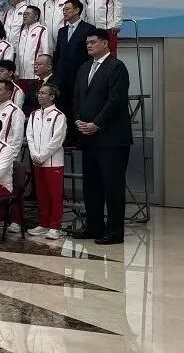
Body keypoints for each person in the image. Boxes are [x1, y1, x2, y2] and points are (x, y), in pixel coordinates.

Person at [72, 30, 132, 245]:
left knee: (112, 186)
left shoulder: (116, 67)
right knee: (92, 186)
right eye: (87, 42)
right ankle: (94, 226)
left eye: (93, 42)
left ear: (105, 43)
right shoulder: (84, 68)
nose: (89, 45)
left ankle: (115, 231)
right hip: (88, 138)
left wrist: (97, 123)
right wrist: (77, 120)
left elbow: (116, 100)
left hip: (111, 139)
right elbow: (77, 98)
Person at [26, 84, 67, 239]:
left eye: (44, 93)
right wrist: (33, 154)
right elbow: (29, 136)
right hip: (37, 161)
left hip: (53, 162)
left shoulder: (59, 116)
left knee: (54, 195)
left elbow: (57, 140)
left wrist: (42, 155)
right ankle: (43, 224)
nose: (40, 95)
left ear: (52, 96)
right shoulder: (34, 114)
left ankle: (55, 226)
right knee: (41, 195)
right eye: (39, 93)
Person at [52, 0, 96, 119]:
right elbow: (58, 54)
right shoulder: (62, 31)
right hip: (62, 78)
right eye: (63, 10)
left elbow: (90, 55)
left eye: (67, 9)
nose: (64, 12)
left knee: (79, 108)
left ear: (77, 10)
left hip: (79, 75)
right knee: (63, 109)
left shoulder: (89, 29)